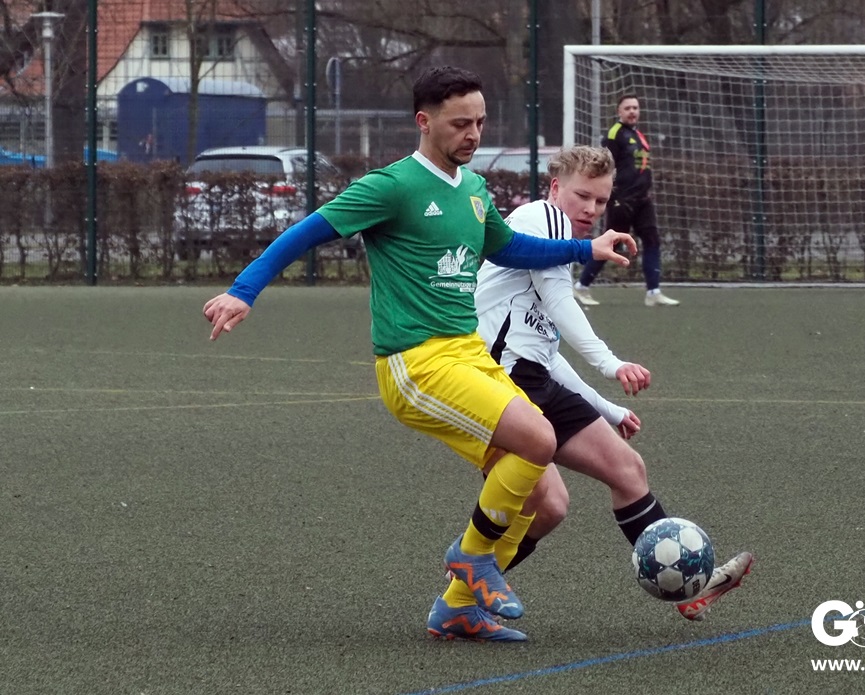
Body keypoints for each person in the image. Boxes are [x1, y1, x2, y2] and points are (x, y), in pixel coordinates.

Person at [202, 66, 638, 643]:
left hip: (468, 354)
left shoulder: (474, 189)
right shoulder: (392, 186)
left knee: (547, 501)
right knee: (538, 438)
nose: (473, 134)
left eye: (480, 122)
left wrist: (587, 247)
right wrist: (244, 290)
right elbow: (305, 233)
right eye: (460, 123)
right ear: (424, 122)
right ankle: (471, 558)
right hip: (416, 362)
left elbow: (510, 247)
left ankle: (456, 609)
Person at [472, 145, 751, 632]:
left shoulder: (560, 241)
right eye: (582, 196)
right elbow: (559, 301)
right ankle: (459, 596)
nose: (591, 210)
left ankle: (691, 590)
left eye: (600, 201)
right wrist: (610, 363)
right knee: (548, 505)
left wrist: (606, 408)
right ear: (554, 188)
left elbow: (545, 352)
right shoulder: (540, 218)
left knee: (627, 469)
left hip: (531, 378)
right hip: (497, 383)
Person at [573, 94, 680, 308]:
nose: (632, 111)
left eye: (635, 108)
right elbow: (605, 167)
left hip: (643, 200)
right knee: (611, 244)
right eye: (628, 108)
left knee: (652, 240)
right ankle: (581, 286)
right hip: (622, 200)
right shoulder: (615, 134)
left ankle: (653, 292)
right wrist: (611, 195)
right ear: (619, 112)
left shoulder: (639, 135)